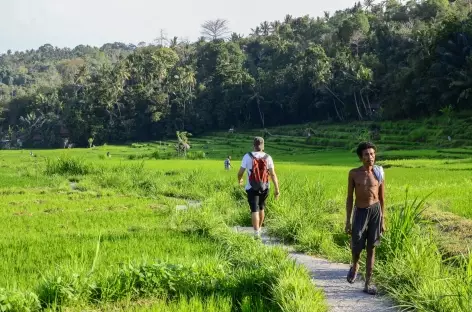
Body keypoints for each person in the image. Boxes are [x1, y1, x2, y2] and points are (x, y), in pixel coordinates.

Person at [345, 142, 386, 295]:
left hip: (375, 211)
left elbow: (382, 198)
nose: (370, 157)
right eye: (367, 155)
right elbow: (349, 198)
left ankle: (368, 282)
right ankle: (355, 264)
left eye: (372, 154)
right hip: (360, 212)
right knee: (356, 245)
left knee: (372, 247)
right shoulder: (354, 174)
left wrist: (383, 219)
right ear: (361, 157)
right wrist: (348, 221)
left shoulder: (379, 173)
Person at [237, 137, 280, 238]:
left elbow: (240, 173)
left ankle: (256, 234)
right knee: (261, 207)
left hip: (252, 187)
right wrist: (277, 189)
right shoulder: (268, 157)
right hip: (265, 187)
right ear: (263, 146)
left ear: (253, 145)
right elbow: (273, 174)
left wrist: (240, 180)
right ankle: (259, 229)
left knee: (254, 209)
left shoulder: (247, 156)